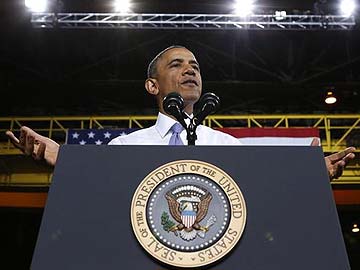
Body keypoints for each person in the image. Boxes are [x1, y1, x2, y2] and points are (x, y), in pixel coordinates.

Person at [5, 45, 356, 180]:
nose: (191, 71)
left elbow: (265, 184)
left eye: (196, 66)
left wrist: (311, 177)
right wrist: (61, 157)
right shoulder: (126, 147)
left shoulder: (227, 146)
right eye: (177, 64)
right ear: (152, 86)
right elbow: (97, 182)